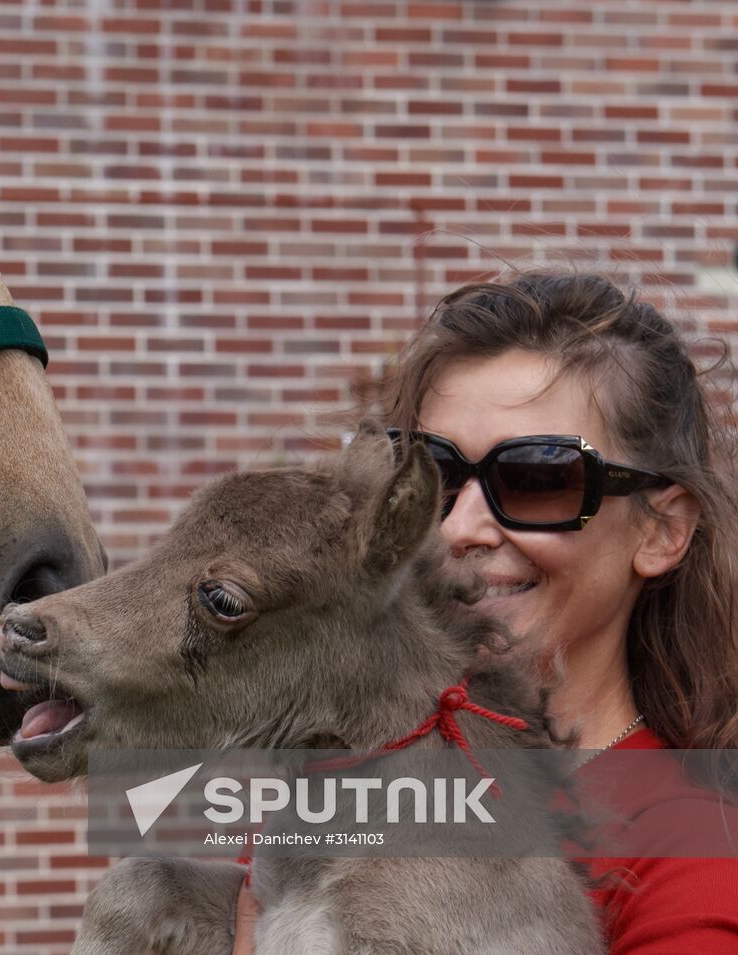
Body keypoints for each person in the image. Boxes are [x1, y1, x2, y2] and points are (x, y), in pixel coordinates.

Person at [231, 271, 738, 953]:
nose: (459, 526)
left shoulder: (689, 850)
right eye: (428, 474)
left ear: (662, 530)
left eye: (537, 478)